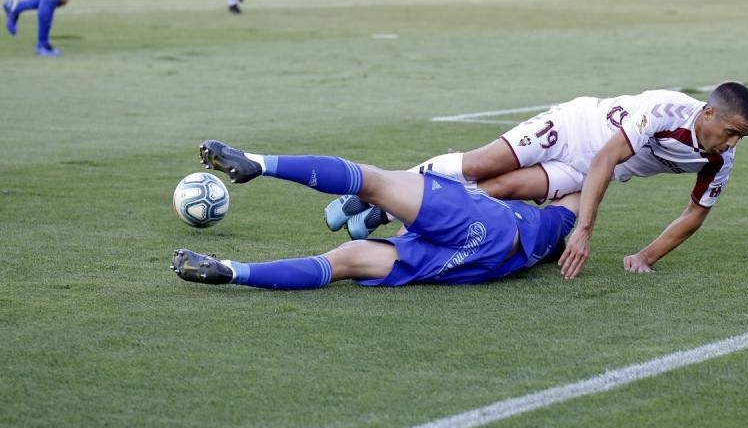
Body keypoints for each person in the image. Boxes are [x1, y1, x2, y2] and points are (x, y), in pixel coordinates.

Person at [327, 82, 748, 279]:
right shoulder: (664, 111)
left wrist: (646, 256)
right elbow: (608, 158)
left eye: (742, 136)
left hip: (577, 173)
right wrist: (584, 230)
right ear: (708, 113)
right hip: (573, 128)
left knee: (499, 188)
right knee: (481, 164)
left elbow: (695, 214)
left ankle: (400, 223)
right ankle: (377, 192)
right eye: (732, 131)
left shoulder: (721, 158)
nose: (734, 142)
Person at [171, 140, 579, 289]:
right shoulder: (542, 231)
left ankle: (260, 162)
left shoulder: (549, 223)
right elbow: (564, 193)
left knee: (375, 181)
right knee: (345, 261)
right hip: (461, 261)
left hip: (482, 229)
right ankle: (230, 271)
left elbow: (569, 193)